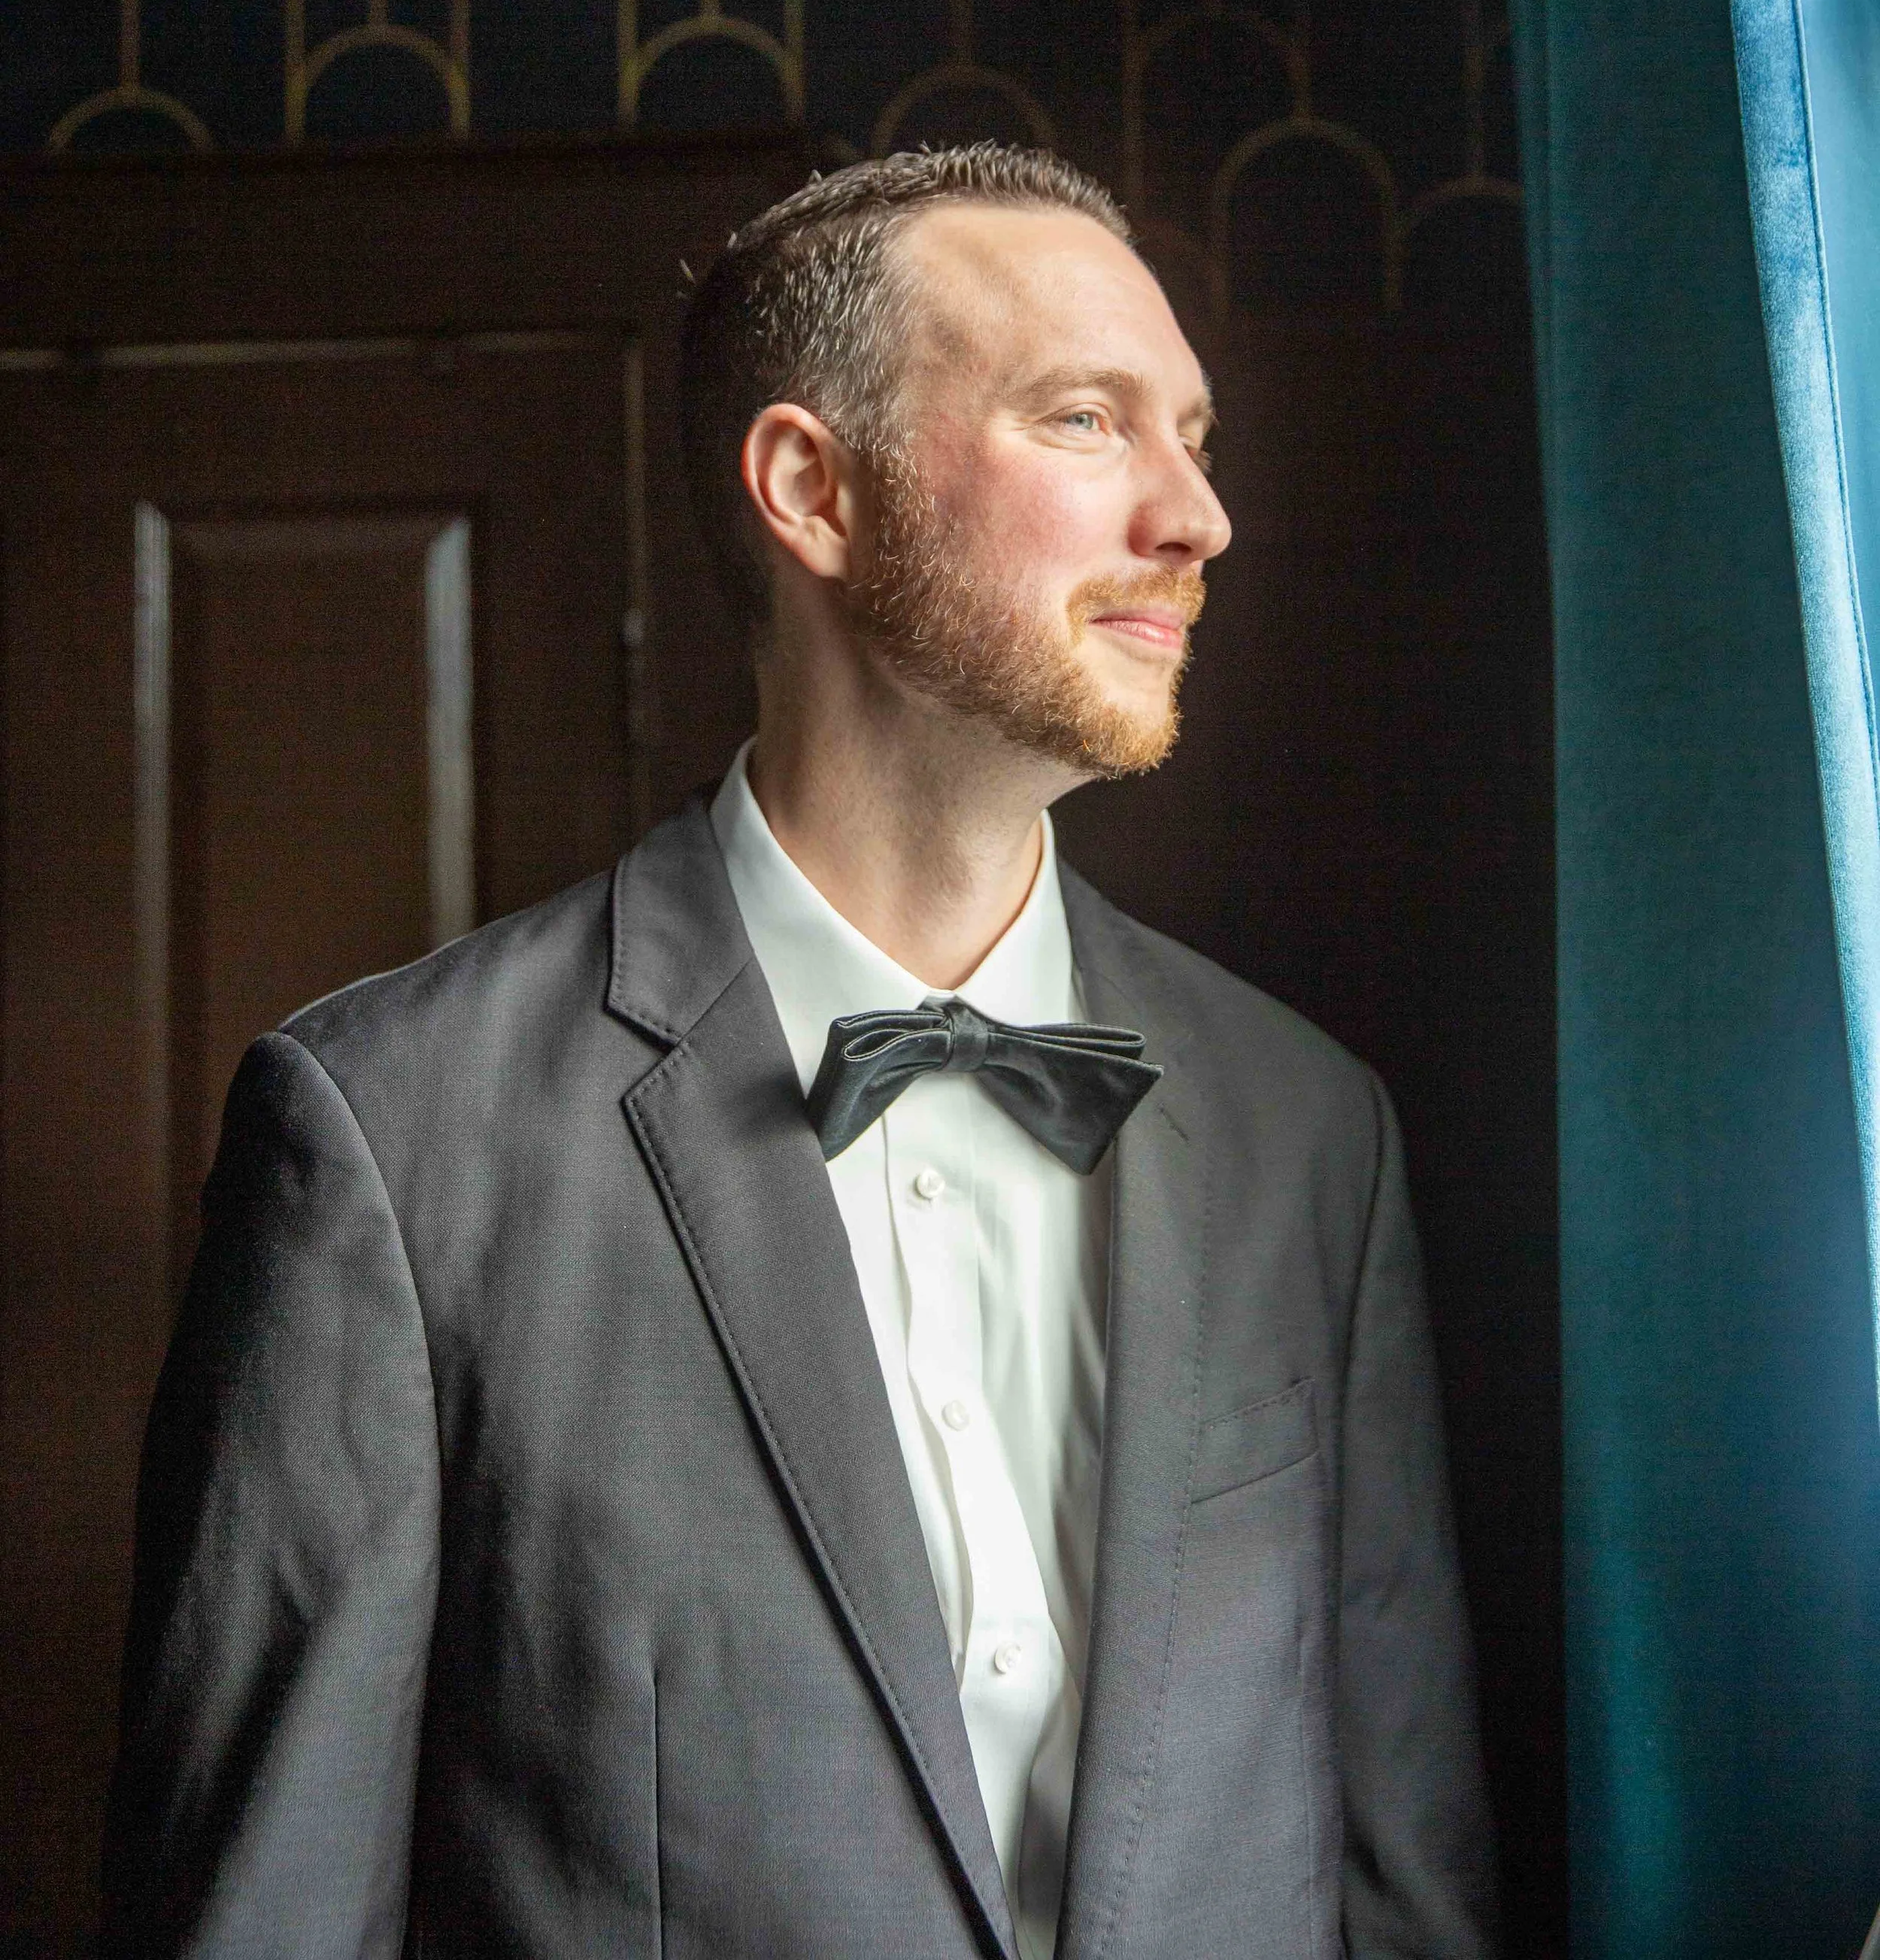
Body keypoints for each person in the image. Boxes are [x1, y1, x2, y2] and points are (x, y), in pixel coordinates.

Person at [103, 143, 1496, 1958]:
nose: (1194, 517)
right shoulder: (387, 1145)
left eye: (1197, 437)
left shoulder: (1312, 1131)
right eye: (1086, 420)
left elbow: (1401, 1890)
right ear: (809, 490)